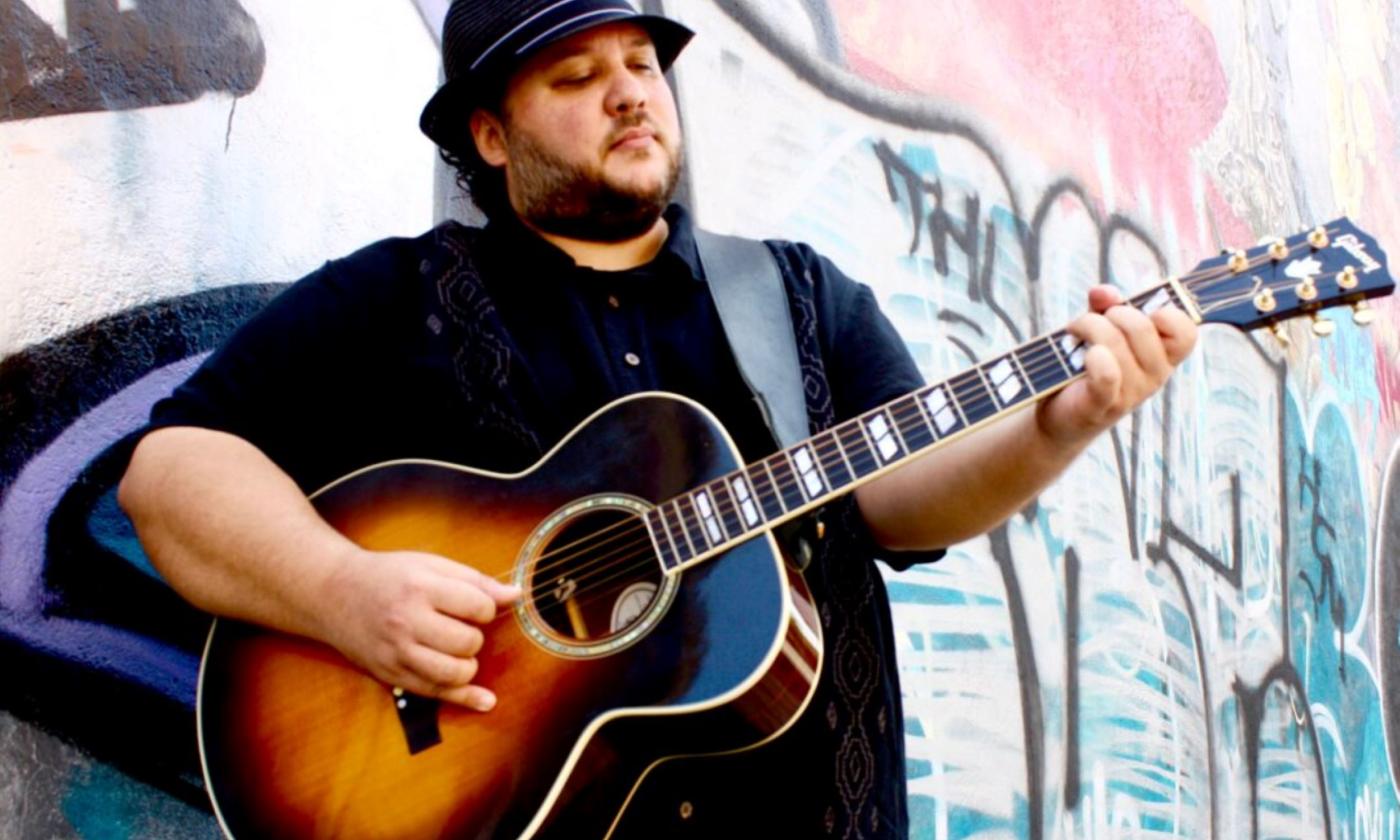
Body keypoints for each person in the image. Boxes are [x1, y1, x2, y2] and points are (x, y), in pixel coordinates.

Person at [118, 0, 1197, 836]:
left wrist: (1061, 424)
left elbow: (898, 510)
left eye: (641, 65)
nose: (630, 93)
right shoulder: (393, 301)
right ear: (491, 136)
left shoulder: (800, 302)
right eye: (578, 77)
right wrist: (342, 592)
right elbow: (170, 473)